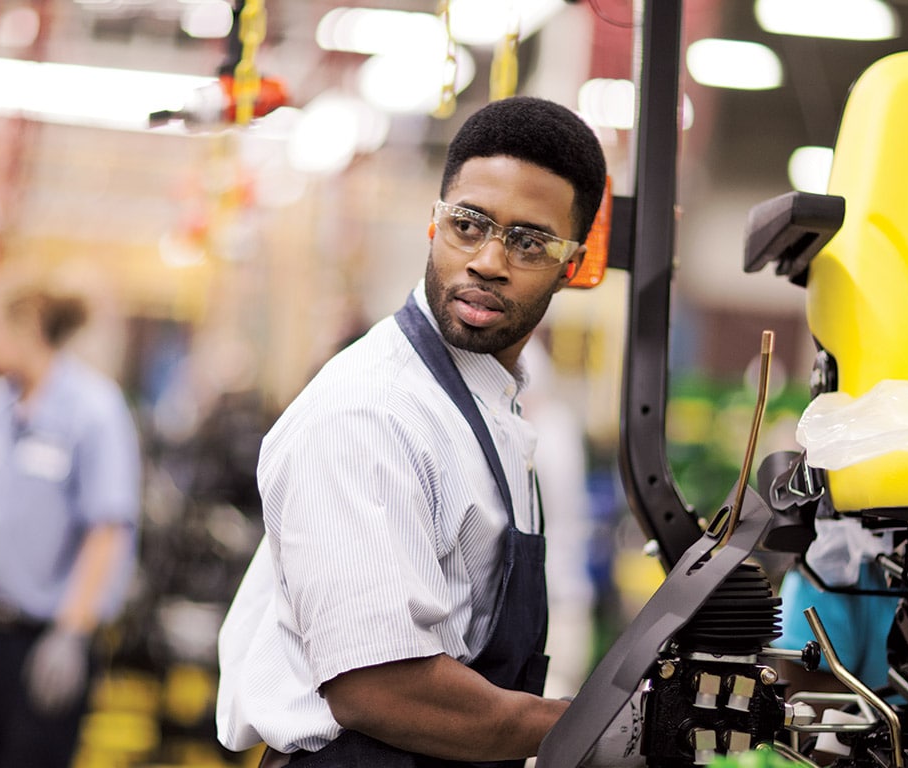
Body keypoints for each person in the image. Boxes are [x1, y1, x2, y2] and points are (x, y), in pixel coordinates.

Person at [217, 96, 634, 767]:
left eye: (529, 242)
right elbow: (380, 690)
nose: (489, 260)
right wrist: (593, 723)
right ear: (434, 223)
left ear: (573, 265)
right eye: (469, 224)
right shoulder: (369, 413)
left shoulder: (492, 404)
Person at [0, 268, 141, 768]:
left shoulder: (92, 409)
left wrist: (70, 633)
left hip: (41, 645)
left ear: (26, 329)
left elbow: (106, 531)